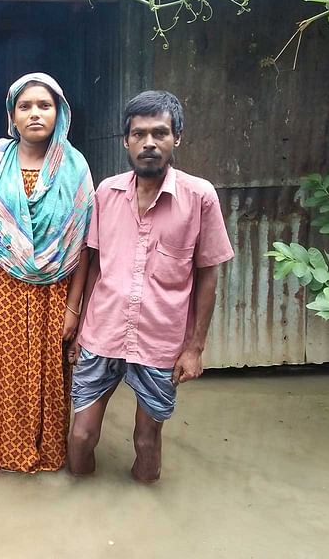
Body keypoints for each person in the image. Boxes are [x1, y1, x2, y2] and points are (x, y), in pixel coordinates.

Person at [67, 90, 234, 482]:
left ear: (177, 137)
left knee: (146, 442)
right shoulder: (106, 193)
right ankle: (79, 511)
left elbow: (208, 275)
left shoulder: (199, 198)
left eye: (160, 133)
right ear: (125, 140)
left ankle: (144, 508)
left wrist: (194, 349)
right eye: (139, 134)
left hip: (160, 343)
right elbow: (94, 265)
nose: (149, 143)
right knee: (81, 436)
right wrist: (80, 327)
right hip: (101, 335)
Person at [0, 73, 94, 472]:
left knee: (46, 372)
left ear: (59, 113)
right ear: (12, 115)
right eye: (25, 106)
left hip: (54, 292)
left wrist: (74, 308)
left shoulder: (75, 168)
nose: (35, 114)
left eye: (44, 106)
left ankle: (42, 454)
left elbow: (83, 245)